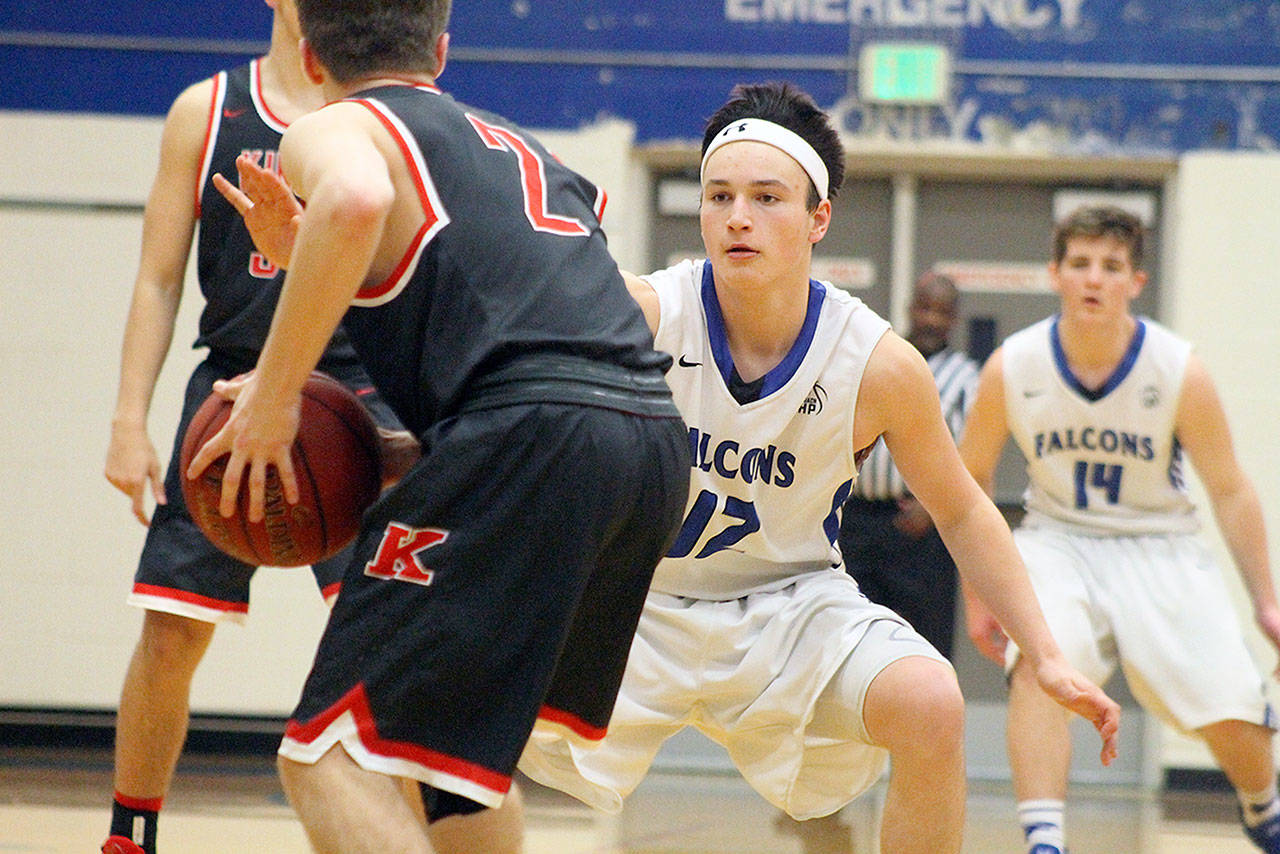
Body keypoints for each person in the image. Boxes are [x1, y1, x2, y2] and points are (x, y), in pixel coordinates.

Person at [516, 81, 1120, 854]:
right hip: (639, 599)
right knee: (436, 690)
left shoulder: (877, 365)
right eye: (719, 195)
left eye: (768, 197)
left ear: (818, 217)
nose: (738, 216)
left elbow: (964, 510)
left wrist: (1048, 656)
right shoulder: (640, 316)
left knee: (933, 702)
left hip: (792, 607)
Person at [188, 0, 691, 851]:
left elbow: (352, 197)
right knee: (448, 771)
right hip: (646, 443)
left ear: (309, 58)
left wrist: (274, 396)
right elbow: (561, 321)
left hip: (537, 436)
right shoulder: (521, 147)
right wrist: (402, 447)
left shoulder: (336, 126)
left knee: (328, 757)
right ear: (443, 49)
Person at [97, 2, 441, 852]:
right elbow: (157, 279)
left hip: (366, 392)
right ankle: (128, 835)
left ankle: (408, 832)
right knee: (172, 630)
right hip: (233, 386)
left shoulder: (393, 113)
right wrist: (128, 419)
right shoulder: (205, 110)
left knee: (387, 633)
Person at [958, 204, 1280, 854]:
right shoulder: (1012, 367)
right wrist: (980, 594)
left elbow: (1230, 490)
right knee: (1040, 669)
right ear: (1056, 273)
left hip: (1161, 542)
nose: (1093, 280)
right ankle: (1045, 841)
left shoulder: (1178, 369)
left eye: (1110, 266)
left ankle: (1262, 805)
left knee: (1231, 709)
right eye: (1080, 264)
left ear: (1135, 280)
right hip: (1058, 542)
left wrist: (1265, 600)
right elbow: (970, 485)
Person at [838, 271, 979, 658]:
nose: (932, 319)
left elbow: (974, 454)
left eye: (942, 312)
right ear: (911, 309)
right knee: (850, 637)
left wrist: (933, 507)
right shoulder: (877, 360)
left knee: (927, 641)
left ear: (954, 319)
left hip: (923, 529)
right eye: (926, 308)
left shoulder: (966, 377)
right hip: (858, 522)